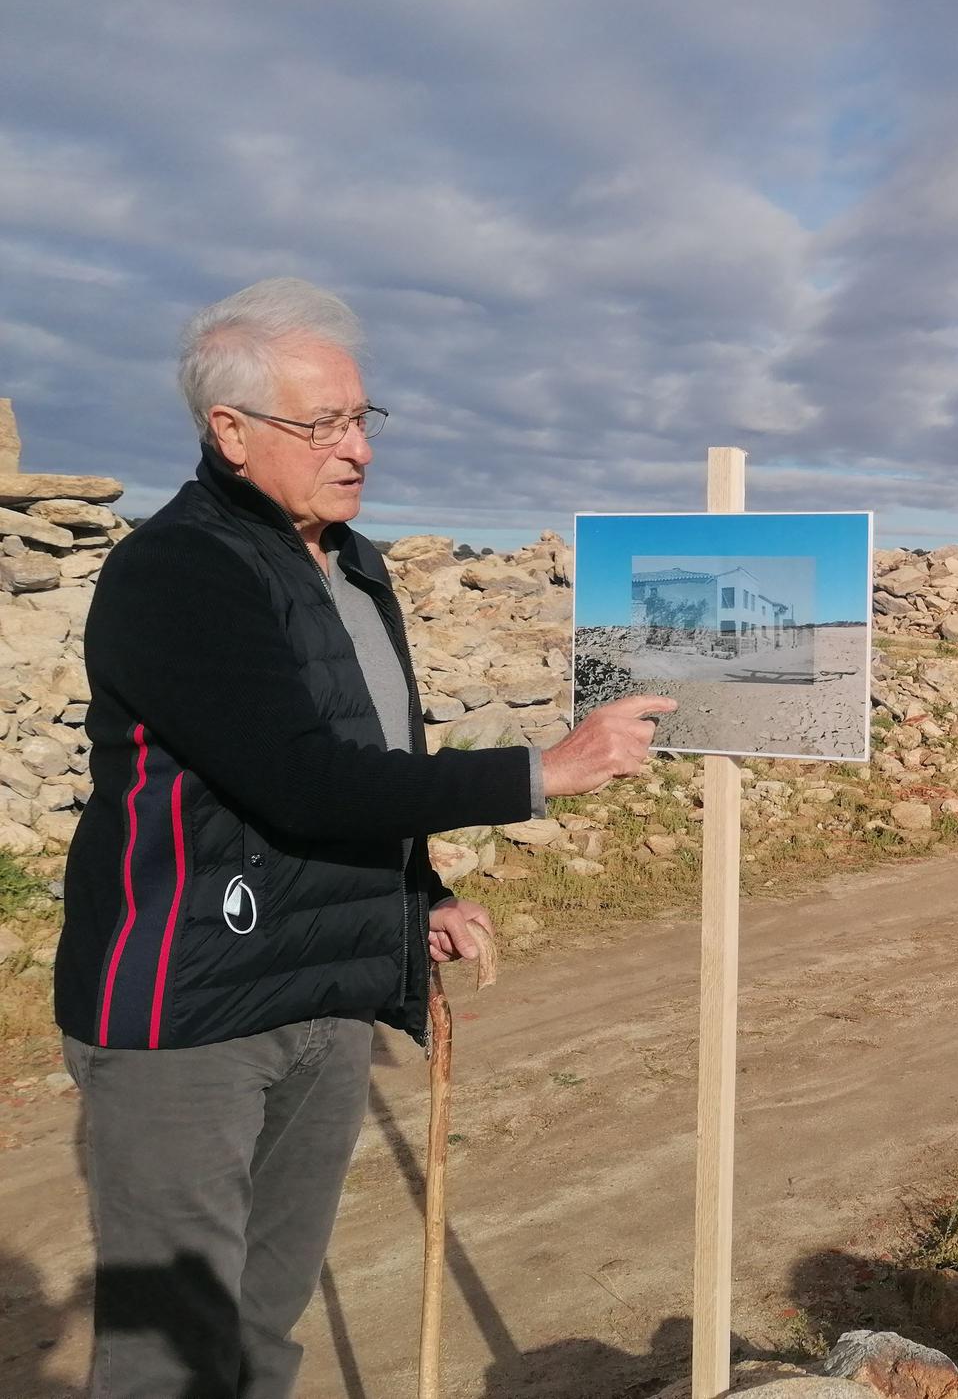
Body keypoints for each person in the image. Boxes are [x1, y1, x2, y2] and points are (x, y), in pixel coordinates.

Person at [51, 277, 672, 1399]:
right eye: (320, 424)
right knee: (170, 1359)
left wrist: (419, 896)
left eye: (360, 419)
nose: (356, 451)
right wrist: (545, 770)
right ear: (229, 433)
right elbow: (301, 781)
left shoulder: (351, 566)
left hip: (327, 993)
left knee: (263, 1327)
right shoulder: (178, 573)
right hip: (187, 1015)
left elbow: (370, 752)